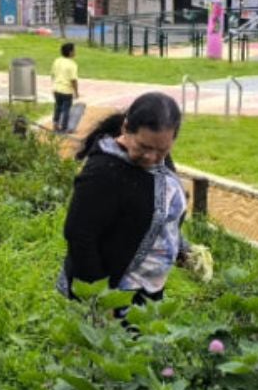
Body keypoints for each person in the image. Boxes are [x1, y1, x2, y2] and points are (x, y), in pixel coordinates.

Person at [57, 92, 196, 312]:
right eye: (144, 147)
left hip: (146, 292)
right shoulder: (103, 172)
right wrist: (101, 301)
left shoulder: (156, 159)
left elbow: (160, 209)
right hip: (113, 297)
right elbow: (80, 236)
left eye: (161, 150)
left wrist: (181, 247)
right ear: (125, 129)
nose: (151, 157)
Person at [51, 42, 80, 133]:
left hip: (56, 88)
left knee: (58, 107)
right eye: (74, 50)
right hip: (66, 90)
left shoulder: (57, 61)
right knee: (66, 109)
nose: (75, 52)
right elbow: (73, 80)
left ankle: (55, 124)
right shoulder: (72, 65)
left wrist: (55, 84)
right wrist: (76, 92)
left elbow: (53, 74)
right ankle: (64, 127)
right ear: (70, 52)